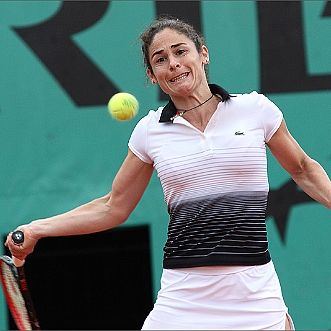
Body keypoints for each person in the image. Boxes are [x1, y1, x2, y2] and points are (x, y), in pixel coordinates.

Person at [5, 16, 331, 330]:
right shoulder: (149, 132)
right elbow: (112, 206)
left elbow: (303, 169)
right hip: (184, 292)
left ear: (202, 54)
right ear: (152, 75)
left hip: (253, 286)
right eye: (160, 59)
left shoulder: (255, 110)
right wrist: (37, 229)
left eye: (180, 51)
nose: (172, 63)